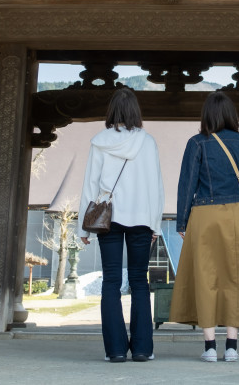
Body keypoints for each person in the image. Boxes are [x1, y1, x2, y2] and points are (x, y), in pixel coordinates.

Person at [169, 91, 239, 362]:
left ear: (206, 114)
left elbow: (187, 185)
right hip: (235, 214)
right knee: (235, 277)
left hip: (204, 215)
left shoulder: (196, 143)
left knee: (206, 278)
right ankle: (231, 347)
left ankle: (209, 347)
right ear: (232, 114)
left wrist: (182, 221)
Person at [78, 87, 164, 363]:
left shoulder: (100, 141)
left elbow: (91, 184)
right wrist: (156, 225)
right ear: (136, 111)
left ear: (111, 111)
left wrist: (83, 226)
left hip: (109, 219)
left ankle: (115, 350)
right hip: (141, 219)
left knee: (111, 280)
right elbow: (156, 186)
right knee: (140, 281)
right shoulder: (148, 142)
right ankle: (141, 349)